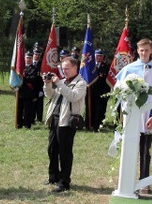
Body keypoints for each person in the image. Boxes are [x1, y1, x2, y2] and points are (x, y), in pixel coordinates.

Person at [115, 38, 152, 189]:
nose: (144, 53)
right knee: (130, 146)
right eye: (141, 50)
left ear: (151, 51)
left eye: (147, 50)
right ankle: (127, 181)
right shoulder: (129, 69)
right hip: (132, 114)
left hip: (149, 113)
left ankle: (144, 182)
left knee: (145, 149)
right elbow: (118, 89)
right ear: (137, 51)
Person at [44, 56, 87, 193]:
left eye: (67, 68)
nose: (64, 71)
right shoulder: (62, 82)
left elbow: (73, 96)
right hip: (55, 118)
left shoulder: (81, 83)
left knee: (65, 152)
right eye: (63, 69)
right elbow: (50, 95)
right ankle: (53, 177)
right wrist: (48, 84)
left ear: (75, 68)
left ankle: (64, 182)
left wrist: (60, 84)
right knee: (52, 149)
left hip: (67, 121)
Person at [17, 51, 42, 129]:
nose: (28, 59)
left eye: (30, 58)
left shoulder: (35, 69)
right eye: (27, 58)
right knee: (19, 109)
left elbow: (33, 80)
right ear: (24, 58)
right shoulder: (20, 68)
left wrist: (23, 80)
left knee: (28, 110)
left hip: (29, 93)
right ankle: (19, 123)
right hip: (20, 92)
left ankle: (27, 124)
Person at [89, 49, 110, 130]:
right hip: (91, 91)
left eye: (100, 56)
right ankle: (89, 123)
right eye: (97, 55)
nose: (99, 57)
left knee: (100, 109)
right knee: (91, 107)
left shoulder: (106, 66)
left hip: (102, 91)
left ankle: (98, 124)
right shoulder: (91, 66)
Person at [32, 49, 44, 123]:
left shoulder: (42, 64)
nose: (37, 56)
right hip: (31, 87)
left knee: (39, 104)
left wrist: (42, 90)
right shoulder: (30, 63)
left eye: (38, 55)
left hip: (39, 86)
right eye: (35, 54)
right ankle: (32, 117)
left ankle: (39, 118)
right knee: (32, 103)